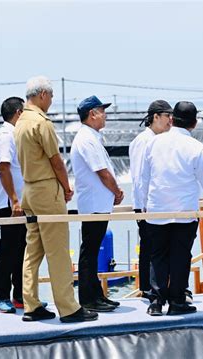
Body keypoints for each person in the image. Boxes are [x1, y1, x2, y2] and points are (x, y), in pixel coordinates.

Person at [140, 101, 203, 316]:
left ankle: (156, 302)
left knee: (157, 256)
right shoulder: (196, 147)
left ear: (172, 119)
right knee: (180, 256)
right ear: (194, 123)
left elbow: (143, 178)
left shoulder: (153, 143)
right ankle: (177, 301)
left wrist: (142, 208)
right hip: (185, 211)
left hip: (157, 209)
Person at [14, 76, 97, 322]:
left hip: (28, 189)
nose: (51, 101)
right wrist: (66, 187)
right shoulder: (41, 123)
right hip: (46, 189)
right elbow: (56, 161)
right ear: (42, 95)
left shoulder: (20, 122)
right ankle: (68, 307)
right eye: (50, 97)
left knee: (33, 250)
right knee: (58, 250)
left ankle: (31, 304)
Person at [71, 95, 124, 312]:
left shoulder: (91, 137)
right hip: (93, 204)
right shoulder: (87, 139)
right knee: (89, 252)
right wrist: (117, 191)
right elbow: (102, 172)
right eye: (102, 110)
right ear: (92, 114)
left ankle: (96, 295)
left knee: (91, 251)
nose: (105, 115)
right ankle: (88, 299)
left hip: (97, 204)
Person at [129, 99, 173, 298]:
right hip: (146, 205)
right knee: (149, 248)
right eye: (167, 116)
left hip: (157, 204)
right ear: (155, 117)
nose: (170, 120)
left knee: (159, 248)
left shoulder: (160, 139)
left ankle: (158, 286)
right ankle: (147, 288)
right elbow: (139, 177)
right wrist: (143, 207)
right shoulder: (143, 140)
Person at [0, 97, 27, 313]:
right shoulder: (5, 136)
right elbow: (3, 168)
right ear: (17, 112)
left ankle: (19, 296)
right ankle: (1, 296)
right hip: (8, 202)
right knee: (8, 249)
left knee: (21, 249)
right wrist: (14, 199)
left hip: (19, 202)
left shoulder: (15, 135)